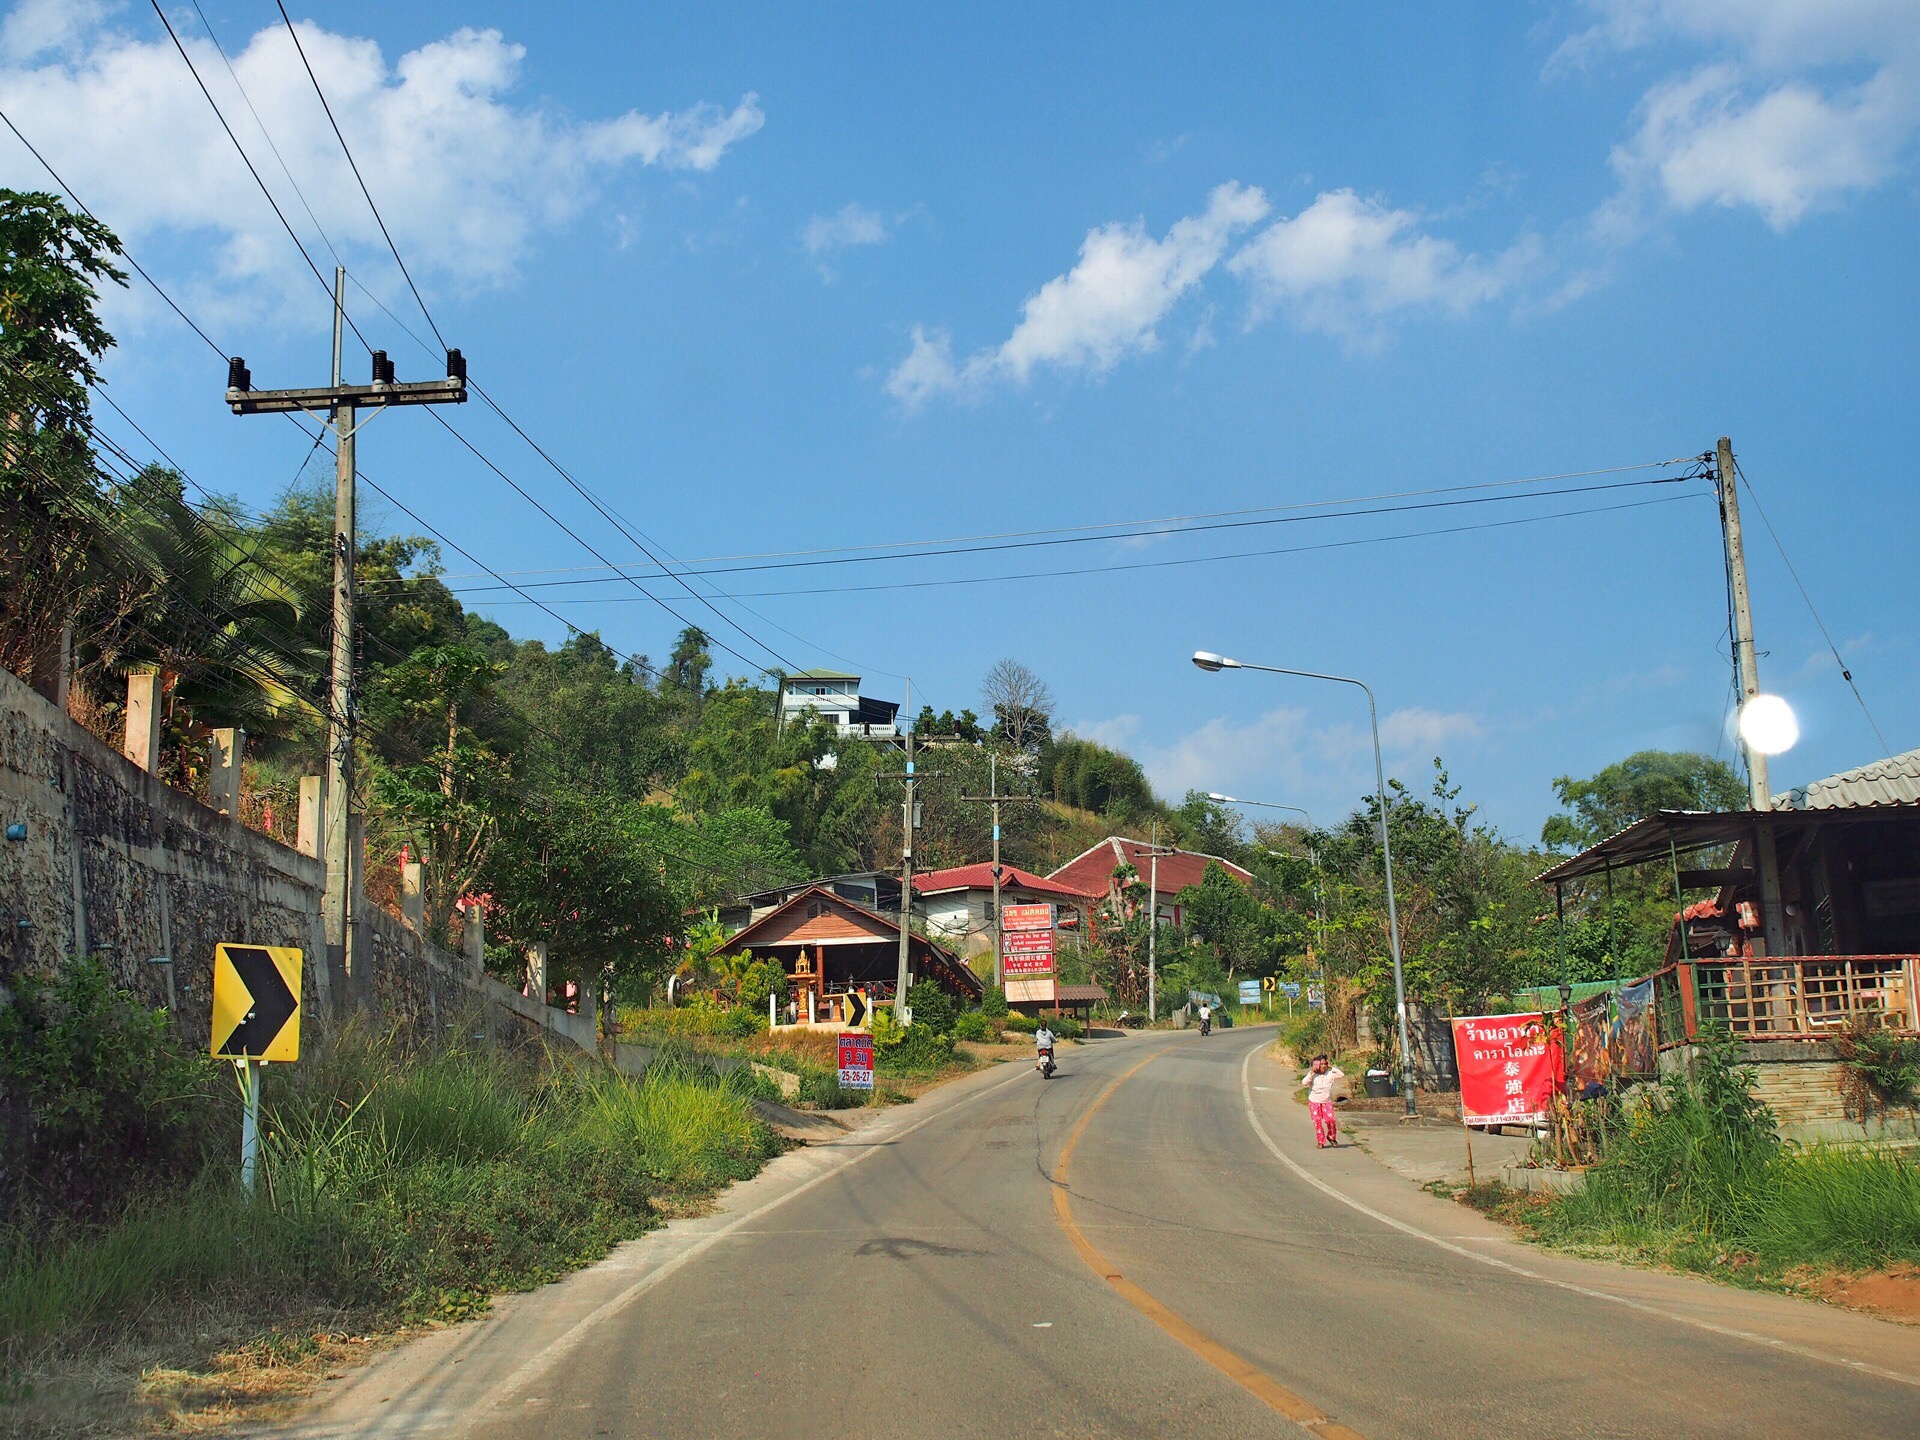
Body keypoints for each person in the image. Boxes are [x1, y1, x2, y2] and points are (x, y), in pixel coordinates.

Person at [1299, 1054, 1345, 1148]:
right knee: (1317, 1121)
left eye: (1325, 1064)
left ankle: (1331, 1137)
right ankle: (1320, 1141)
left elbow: (1341, 1074)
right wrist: (1311, 1072)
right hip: (1314, 1101)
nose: (1323, 1066)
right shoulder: (1313, 1075)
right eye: (1321, 1064)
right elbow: (1304, 1083)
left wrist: (1332, 1067)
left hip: (1326, 1102)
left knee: (1330, 1120)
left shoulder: (1330, 1074)